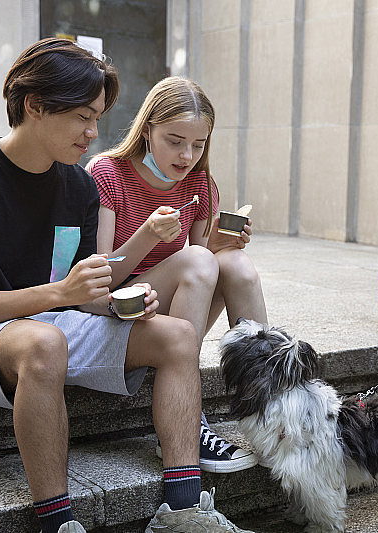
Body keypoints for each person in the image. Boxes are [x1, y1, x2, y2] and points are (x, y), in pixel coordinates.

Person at [0, 38, 252, 533]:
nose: (94, 132)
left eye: (97, 116)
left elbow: (86, 288)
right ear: (34, 106)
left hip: (53, 319)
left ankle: (183, 511)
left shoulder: (76, 184)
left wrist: (122, 304)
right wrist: (62, 295)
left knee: (177, 335)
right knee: (44, 341)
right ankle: (59, 522)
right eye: (82, 117)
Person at [86, 77, 266, 475]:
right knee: (198, 260)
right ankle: (188, 418)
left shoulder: (200, 182)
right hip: (118, 307)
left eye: (198, 145)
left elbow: (207, 256)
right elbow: (98, 280)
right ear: (147, 129)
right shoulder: (107, 174)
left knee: (235, 263)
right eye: (174, 140)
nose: (187, 155)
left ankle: (271, 404)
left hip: (169, 307)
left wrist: (222, 240)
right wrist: (147, 235)